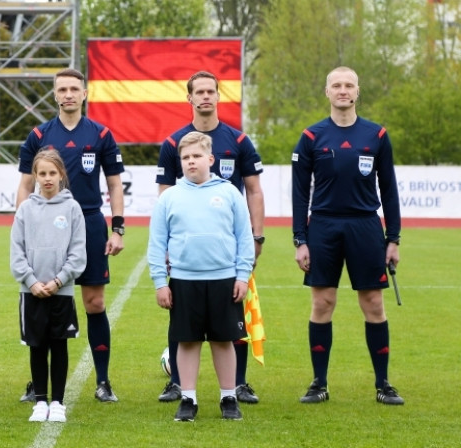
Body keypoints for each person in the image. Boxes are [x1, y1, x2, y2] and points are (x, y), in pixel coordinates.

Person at [292, 66, 404, 405]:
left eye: (349, 85)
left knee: (373, 303)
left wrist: (393, 237)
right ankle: (319, 383)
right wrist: (301, 239)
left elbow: (389, 189)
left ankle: (383, 384)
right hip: (323, 226)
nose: (343, 90)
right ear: (327, 92)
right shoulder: (311, 137)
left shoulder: (377, 135)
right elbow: (299, 194)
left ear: (357, 92)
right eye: (336, 85)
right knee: (322, 302)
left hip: (366, 226)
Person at [155, 70, 265, 404]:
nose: (205, 96)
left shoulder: (239, 141)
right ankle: (177, 383)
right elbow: (165, 194)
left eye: (210, 91)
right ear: (189, 98)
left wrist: (256, 238)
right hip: (187, 254)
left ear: (219, 96)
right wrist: (168, 249)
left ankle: (239, 384)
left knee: (234, 314)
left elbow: (254, 191)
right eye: (198, 92)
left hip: (228, 249)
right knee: (182, 317)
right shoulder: (174, 143)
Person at [16, 68, 125, 403]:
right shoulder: (38, 134)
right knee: (43, 302)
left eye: (73, 89)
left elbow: (114, 183)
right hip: (45, 226)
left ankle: (103, 381)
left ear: (84, 93)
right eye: (61, 89)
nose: (68, 95)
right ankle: (38, 383)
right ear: (54, 94)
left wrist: (117, 227)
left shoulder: (101, 134)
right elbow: (24, 184)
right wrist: (24, 224)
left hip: (90, 222)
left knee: (94, 303)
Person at [148, 131, 254, 421]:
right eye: (185, 157)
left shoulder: (230, 192)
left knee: (224, 341)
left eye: (196, 156)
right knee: (187, 341)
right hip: (183, 281)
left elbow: (244, 237)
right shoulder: (169, 197)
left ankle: (228, 398)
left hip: (224, 280)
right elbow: (156, 244)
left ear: (211, 158)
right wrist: (160, 282)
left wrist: (242, 275)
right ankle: (188, 399)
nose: (191, 161)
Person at [10, 149, 86, 423]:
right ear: (35, 176)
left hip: (61, 291)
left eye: (52, 173)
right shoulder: (25, 210)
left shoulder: (72, 208)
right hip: (31, 292)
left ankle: (58, 403)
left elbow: (78, 253)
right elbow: (16, 252)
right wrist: (31, 281)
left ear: (61, 175)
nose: (47, 178)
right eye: (42, 173)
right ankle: (40, 401)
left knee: (59, 345)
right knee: (37, 346)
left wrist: (58, 281)